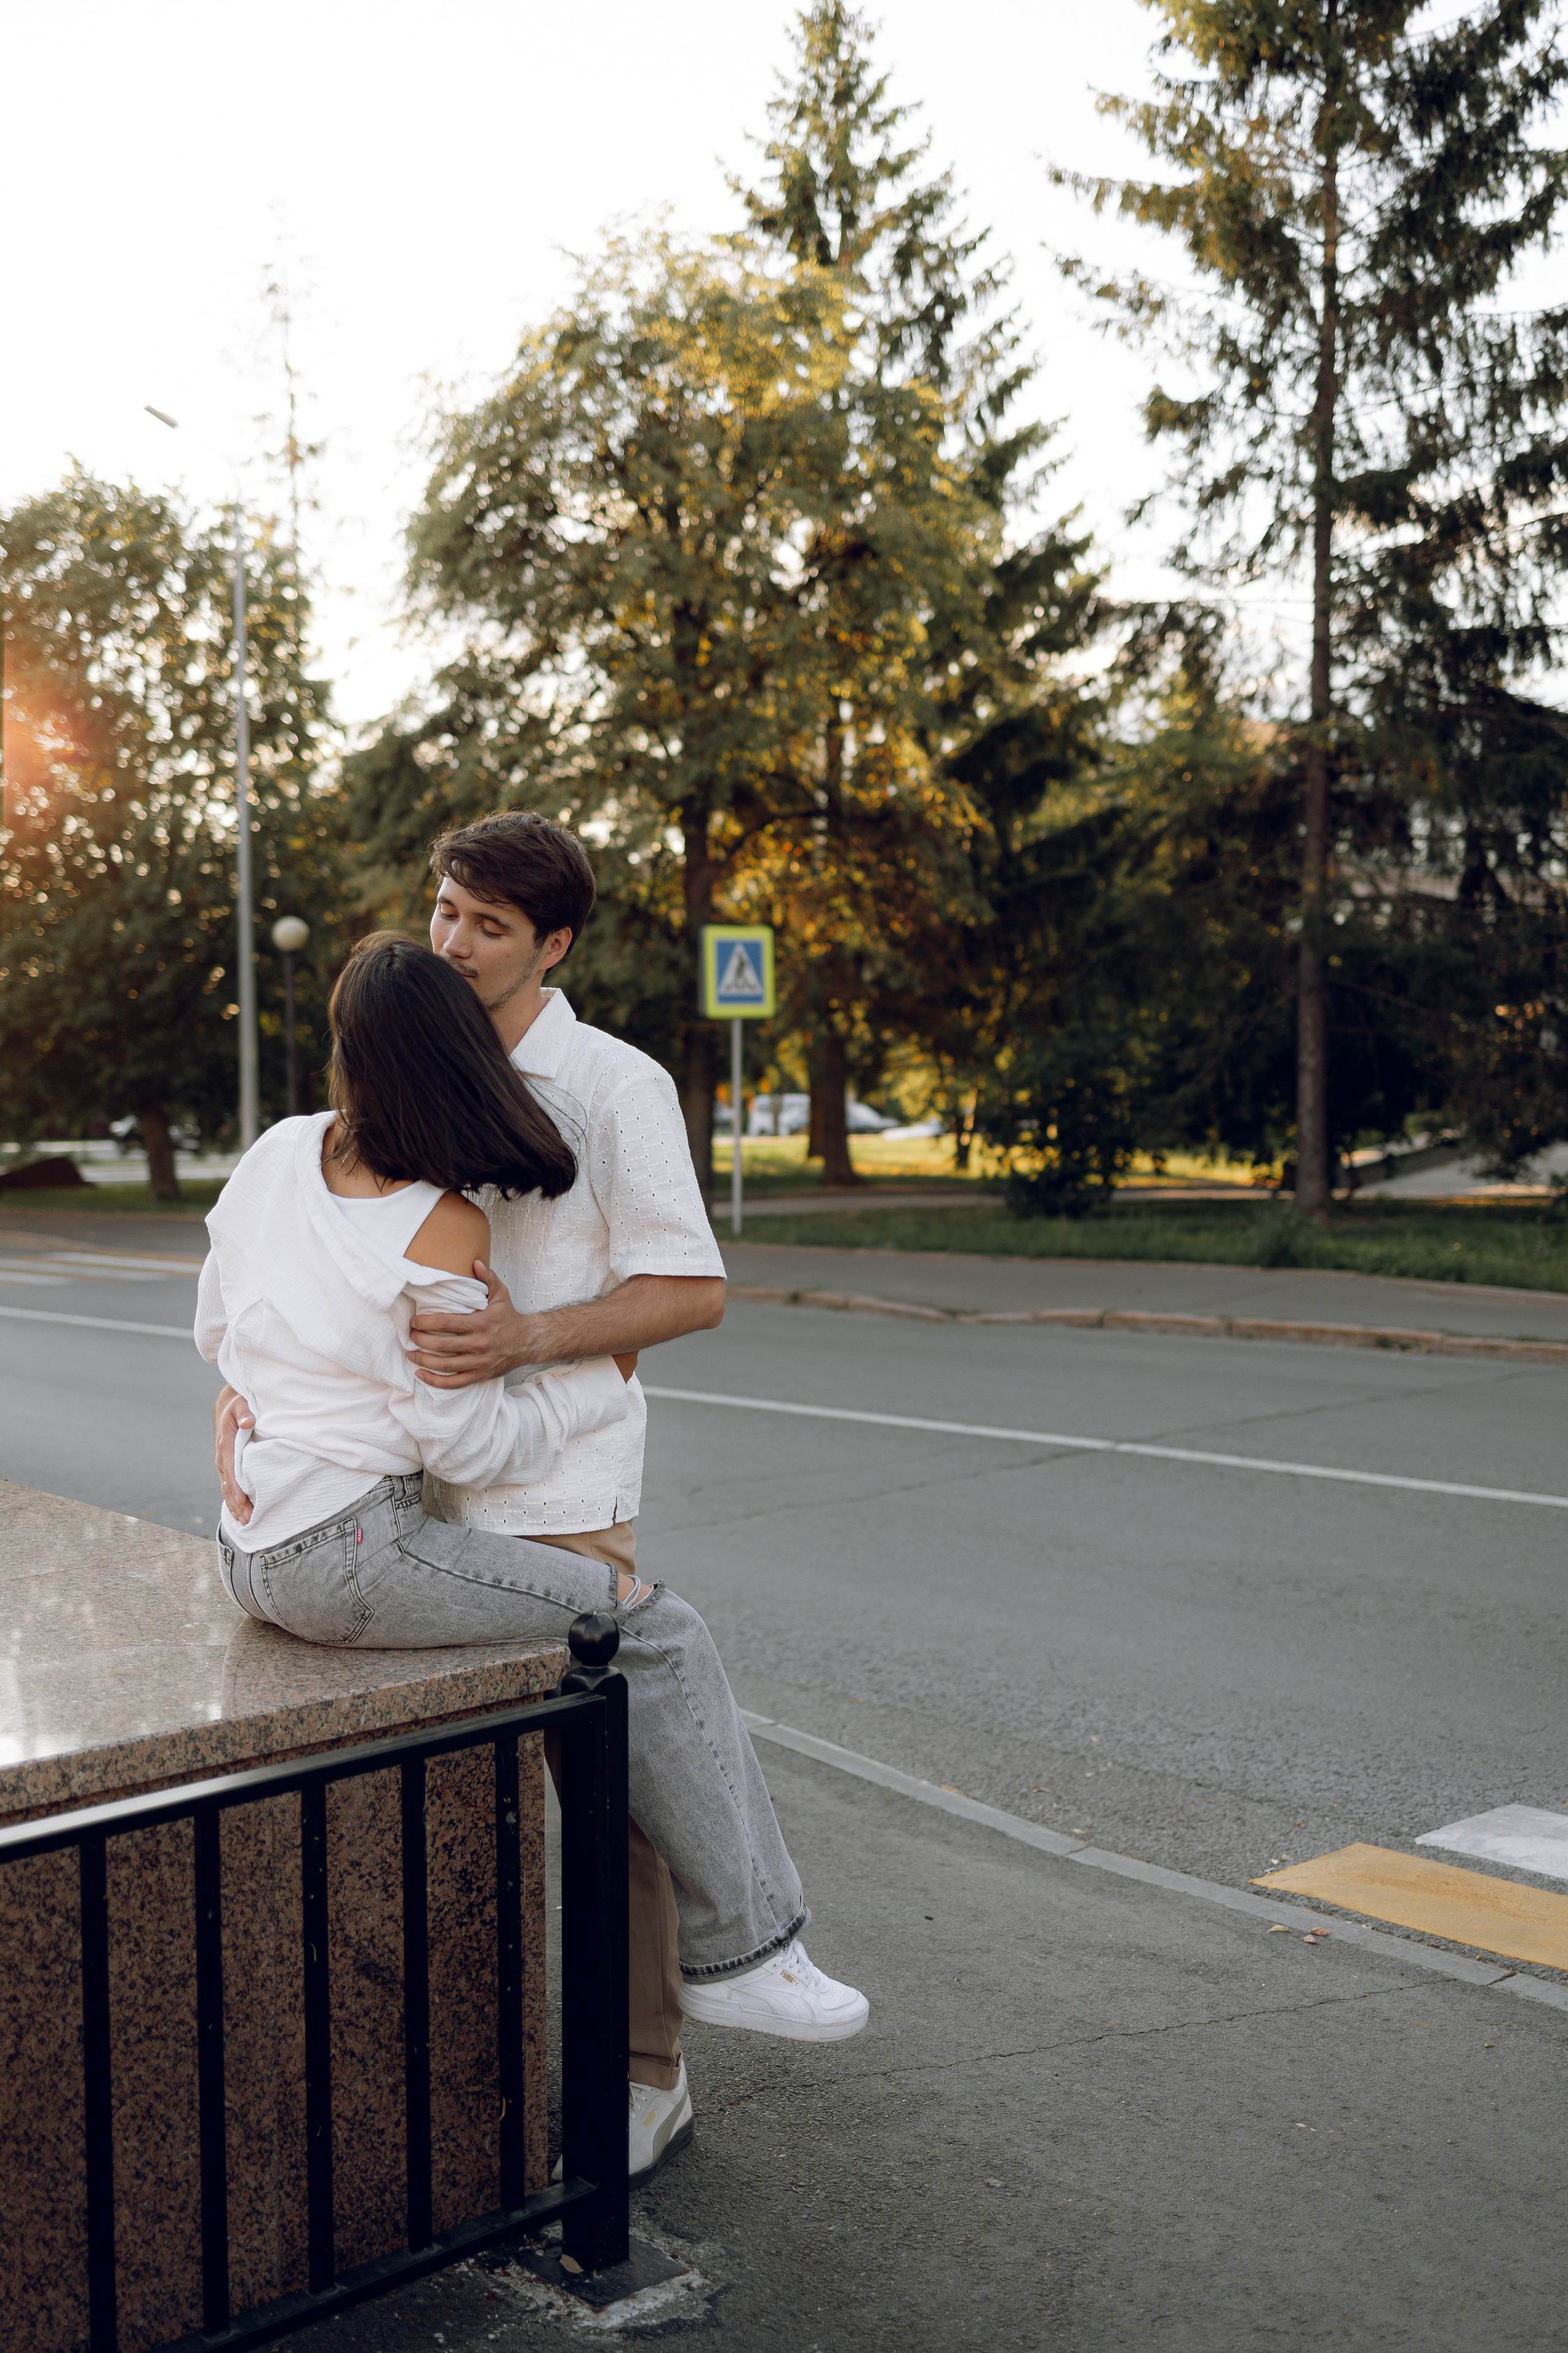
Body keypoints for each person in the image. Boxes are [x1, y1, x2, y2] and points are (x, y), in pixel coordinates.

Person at [208, 920, 868, 2185]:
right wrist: (588, 1376)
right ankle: (746, 1951)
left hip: (249, 1547)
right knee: (652, 1630)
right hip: (352, 1549)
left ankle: (686, 2014)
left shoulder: (275, 1153)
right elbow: (466, 1444)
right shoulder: (441, 1225)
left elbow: (216, 1326)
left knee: (607, 1672)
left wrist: (245, 1401)